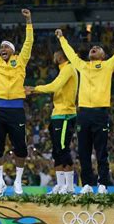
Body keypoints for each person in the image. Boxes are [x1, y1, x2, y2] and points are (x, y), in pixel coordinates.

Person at [55, 20, 114, 194]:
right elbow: (70, 54)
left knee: (101, 151)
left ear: (104, 55)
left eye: (98, 48)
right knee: (83, 151)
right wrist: (62, 39)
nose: (93, 47)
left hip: (101, 113)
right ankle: (87, 184)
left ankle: (103, 184)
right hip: (84, 113)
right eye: (92, 47)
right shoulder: (83, 66)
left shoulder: (108, 65)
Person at [0, 9, 33, 196]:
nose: (2, 49)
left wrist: (28, 20)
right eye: (1, 47)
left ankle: (18, 182)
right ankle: (0, 181)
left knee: (20, 147)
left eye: (6, 47)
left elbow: (29, 41)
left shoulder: (21, 60)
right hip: (0, 109)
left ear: (13, 51)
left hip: (17, 109)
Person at [25, 49, 78, 194]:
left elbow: (54, 86)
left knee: (63, 149)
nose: (53, 56)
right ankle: (60, 185)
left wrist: (34, 89)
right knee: (56, 152)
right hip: (57, 115)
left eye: (55, 54)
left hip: (66, 115)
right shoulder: (63, 70)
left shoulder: (68, 68)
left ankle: (70, 186)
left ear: (60, 56)